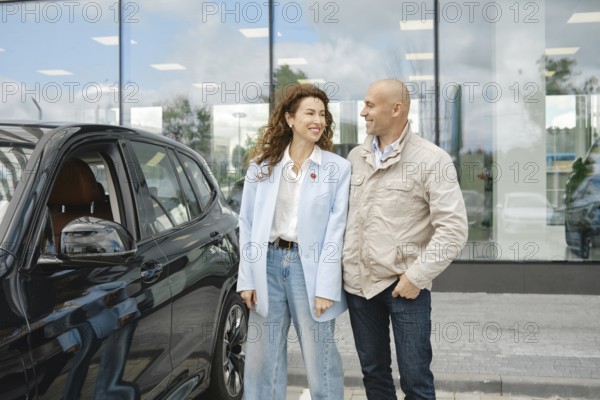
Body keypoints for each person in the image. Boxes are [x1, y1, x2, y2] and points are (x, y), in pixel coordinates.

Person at [343, 79, 468, 400]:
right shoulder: (355, 157)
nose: (362, 112)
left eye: (370, 105)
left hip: (405, 289)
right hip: (360, 289)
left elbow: (453, 229)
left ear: (396, 109)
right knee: (374, 376)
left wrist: (416, 277)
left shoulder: (432, 160)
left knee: (416, 382)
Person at [237, 84, 350, 400]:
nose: (318, 120)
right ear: (289, 119)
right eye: (310, 113)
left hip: (308, 269)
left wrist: (326, 287)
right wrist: (247, 279)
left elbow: (335, 231)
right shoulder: (262, 166)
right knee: (261, 362)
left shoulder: (337, 169)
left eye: (322, 114)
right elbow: (246, 223)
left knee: (321, 360)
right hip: (268, 265)